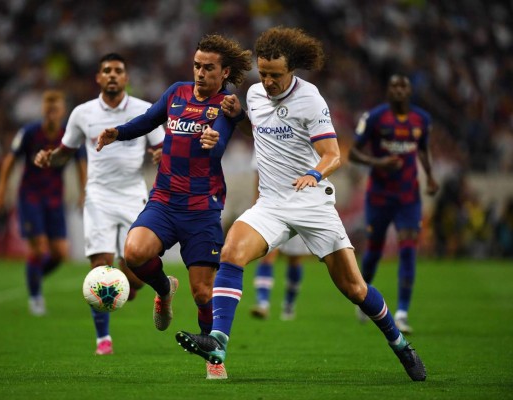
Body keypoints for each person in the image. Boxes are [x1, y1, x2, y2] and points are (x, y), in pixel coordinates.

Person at [175, 26, 427, 382]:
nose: (269, 81)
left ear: (291, 69)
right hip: (272, 203)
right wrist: (235, 118)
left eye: (276, 75)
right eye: (263, 73)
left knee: (354, 288)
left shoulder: (310, 99)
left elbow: (333, 154)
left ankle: (400, 344)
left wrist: (315, 173)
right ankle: (217, 341)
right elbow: (260, 131)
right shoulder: (254, 94)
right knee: (231, 251)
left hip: (312, 202)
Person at [95, 35, 252, 379]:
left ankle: (215, 358)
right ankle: (164, 289)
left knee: (202, 293)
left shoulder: (226, 103)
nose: (200, 73)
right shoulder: (177, 92)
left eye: (208, 67)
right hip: (164, 199)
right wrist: (117, 133)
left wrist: (213, 141)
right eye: (197, 65)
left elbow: (221, 140)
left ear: (224, 71)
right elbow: (149, 120)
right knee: (134, 253)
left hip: (202, 206)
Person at [34, 53, 164, 356]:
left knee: (131, 285)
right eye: (107, 70)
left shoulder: (146, 110)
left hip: (133, 196)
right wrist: (49, 157)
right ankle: (103, 340)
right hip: (98, 197)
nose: (112, 75)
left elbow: (162, 147)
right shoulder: (83, 113)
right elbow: (66, 151)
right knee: (99, 268)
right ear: (98, 78)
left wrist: (160, 156)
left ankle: (157, 283)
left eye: (118, 70)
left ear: (126, 78)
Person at [348, 74, 439, 334]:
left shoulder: (422, 119)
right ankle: (362, 294)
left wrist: (430, 177)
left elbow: (422, 148)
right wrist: (379, 163)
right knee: (374, 252)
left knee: (409, 248)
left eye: (403, 86)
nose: (399, 91)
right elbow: (354, 152)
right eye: (394, 87)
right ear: (388, 92)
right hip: (379, 196)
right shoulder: (375, 118)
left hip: (409, 197)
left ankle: (401, 312)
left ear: (409, 91)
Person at [0, 90, 87, 316]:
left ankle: (33, 275)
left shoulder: (70, 135)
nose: (52, 113)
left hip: (55, 197)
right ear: (43, 111)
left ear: (63, 111)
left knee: (60, 253)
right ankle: (36, 297)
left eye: (56, 109)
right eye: (48, 109)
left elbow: (81, 163)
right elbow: (10, 160)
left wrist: (84, 191)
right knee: (39, 248)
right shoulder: (29, 132)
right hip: (31, 196)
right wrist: (0, 190)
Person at [249, 157, 309, 321]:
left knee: (295, 259)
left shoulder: (302, 137)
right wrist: (257, 204)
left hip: (300, 207)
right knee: (268, 254)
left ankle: (289, 305)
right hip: (271, 207)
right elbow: (258, 175)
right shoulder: (263, 133)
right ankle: (263, 303)